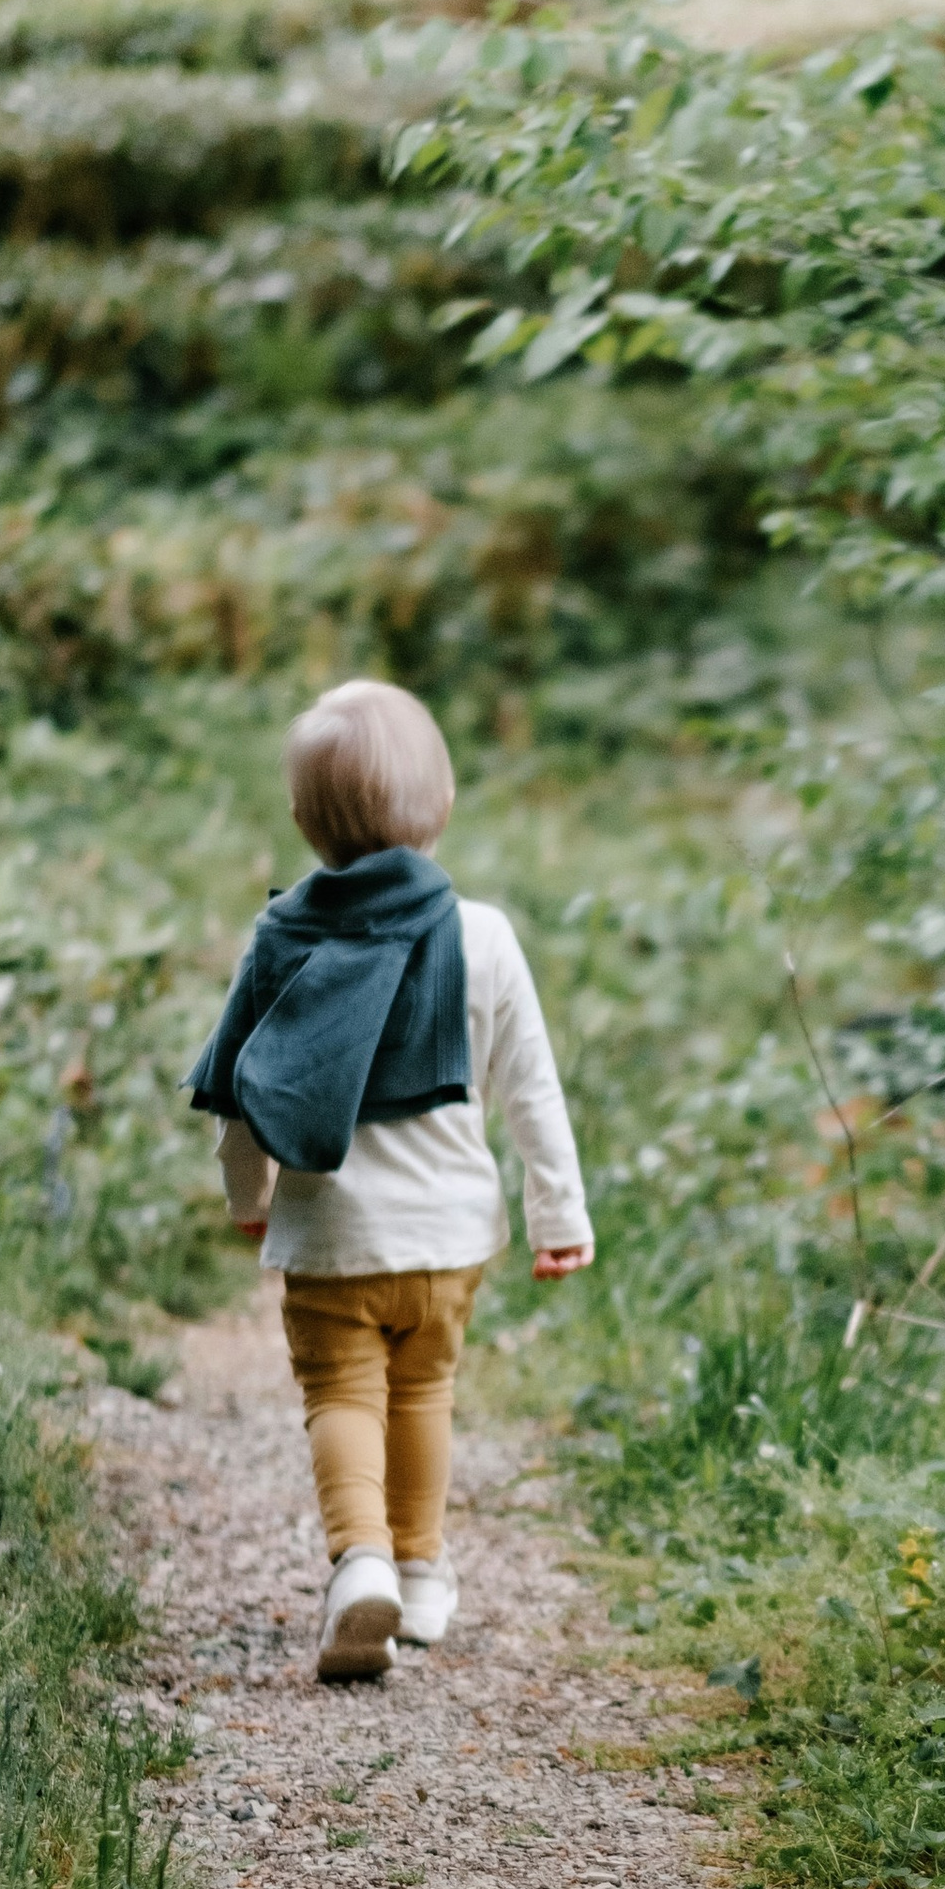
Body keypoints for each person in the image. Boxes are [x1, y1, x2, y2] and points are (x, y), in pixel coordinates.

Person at [187, 675, 591, 1682]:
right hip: (451, 1237)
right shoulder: (484, 936)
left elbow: (243, 1089)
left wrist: (250, 1199)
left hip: (333, 1242)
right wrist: (558, 1213)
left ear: (301, 820)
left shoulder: (279, 938)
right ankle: (422, 1573)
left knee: (341, 1398)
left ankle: (359, 1561)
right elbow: (531, 1086)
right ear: (443, 804)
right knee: (425, 1396)